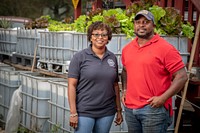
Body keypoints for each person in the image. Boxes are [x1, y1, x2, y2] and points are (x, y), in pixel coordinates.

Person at [121, 10, 188, 133]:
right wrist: (125, 90)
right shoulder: (127, 49)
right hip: (131, 108)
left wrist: (163, 98)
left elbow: (182, 76)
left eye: (146, 22)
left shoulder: (166, 49)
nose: (141, 25)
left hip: (153, 109)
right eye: (138, 22)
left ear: (154, 26)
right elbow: (125, 70)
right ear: (134, 25)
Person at [68, 21, 123, 133]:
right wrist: (73, 113)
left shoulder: (112, 58)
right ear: (90, 37)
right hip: (85, 110)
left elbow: (115, 85)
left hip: (107, 111)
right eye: (96, 34)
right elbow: (71, 85)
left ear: (108, 38)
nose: (100, 37)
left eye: (104, 34)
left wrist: (119, 110)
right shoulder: (79, 57)